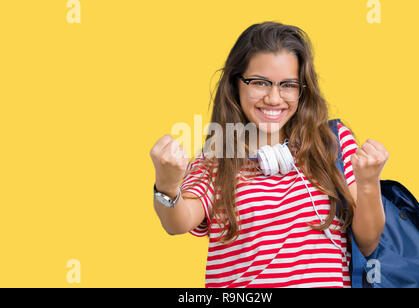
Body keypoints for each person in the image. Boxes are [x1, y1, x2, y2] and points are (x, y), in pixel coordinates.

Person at [150, 21, 389, 288]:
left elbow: (368, 242)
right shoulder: (217, 157)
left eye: (288, 85)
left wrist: (369, 183)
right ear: (236, 84)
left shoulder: (331, 142)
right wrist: (167, 185)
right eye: (260, 83)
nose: (274, 98)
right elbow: (177, 222)